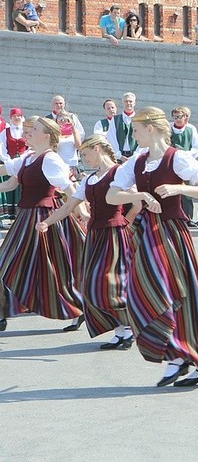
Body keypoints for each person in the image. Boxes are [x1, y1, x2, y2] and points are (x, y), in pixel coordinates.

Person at [107, 106, 198, 387]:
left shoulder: (178, 158)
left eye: (136, 129)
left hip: (172, 233)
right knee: (147, 292)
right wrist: (141, 194)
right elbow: (112, 195)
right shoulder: (137, 161)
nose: (133, 134)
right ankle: (177, 355)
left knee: (182, 293)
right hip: (148, 233)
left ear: (150, 128)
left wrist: (179, 188)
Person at [37, 135, 140, 349]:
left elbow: (137, 202)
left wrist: (125, 224)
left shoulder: (119, 172)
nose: (83, 159)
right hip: (95, 235)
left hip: (114, 234)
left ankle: (129, 327)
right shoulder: (89, 179)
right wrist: (47, 222)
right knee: (92, 284)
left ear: (97, 148)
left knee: (110, 282)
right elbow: (67, 207)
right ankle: (122, 331)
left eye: (84, 154)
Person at [0, 118, 87, 333]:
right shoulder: (28, 157)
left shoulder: (51, 159)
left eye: (34, 130)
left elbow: (69, 187)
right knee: (9, 264)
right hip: (26, 218)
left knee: (56, 269)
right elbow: (10, 182)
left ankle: (81, 307)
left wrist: (82, 211)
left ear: (47, 136)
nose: (28, 133)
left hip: (44, 218)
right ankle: (2, 312)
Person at [170, 106, 198, 227]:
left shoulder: (191, 129)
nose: (177, 119)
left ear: (185, 117)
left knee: (187, 193)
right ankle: (174, 217)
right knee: (173, 191)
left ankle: (187, 218)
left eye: (180, 117)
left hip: (186, 164)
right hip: (171, 163)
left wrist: (183, 154)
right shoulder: (169, 128)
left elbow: (196, 149)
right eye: (175, 117)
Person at [0, 108, 28, 222]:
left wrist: (23, 159)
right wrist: (8, 160)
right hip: (10, 163)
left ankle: (19, 215)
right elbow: (1, 147)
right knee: (9, 187)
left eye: (19, 116)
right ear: (11, 118)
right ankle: (8, 217)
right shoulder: (5, 131)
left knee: (20, 188)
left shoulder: (26, 131)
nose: (17, 118)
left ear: (22, 117)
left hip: (22, 163)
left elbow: (29, 147)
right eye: (14, 116)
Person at [106, 92, 137, 161]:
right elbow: (111, 138)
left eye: (130, 101)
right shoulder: (115, 120)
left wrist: (136, 155)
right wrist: (119, 156)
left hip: (136, 158)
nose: (128, 103)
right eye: (126, 101)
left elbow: (144, 138)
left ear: (134, 103)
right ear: (122, 103)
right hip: (119, 157)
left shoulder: (140, 119)